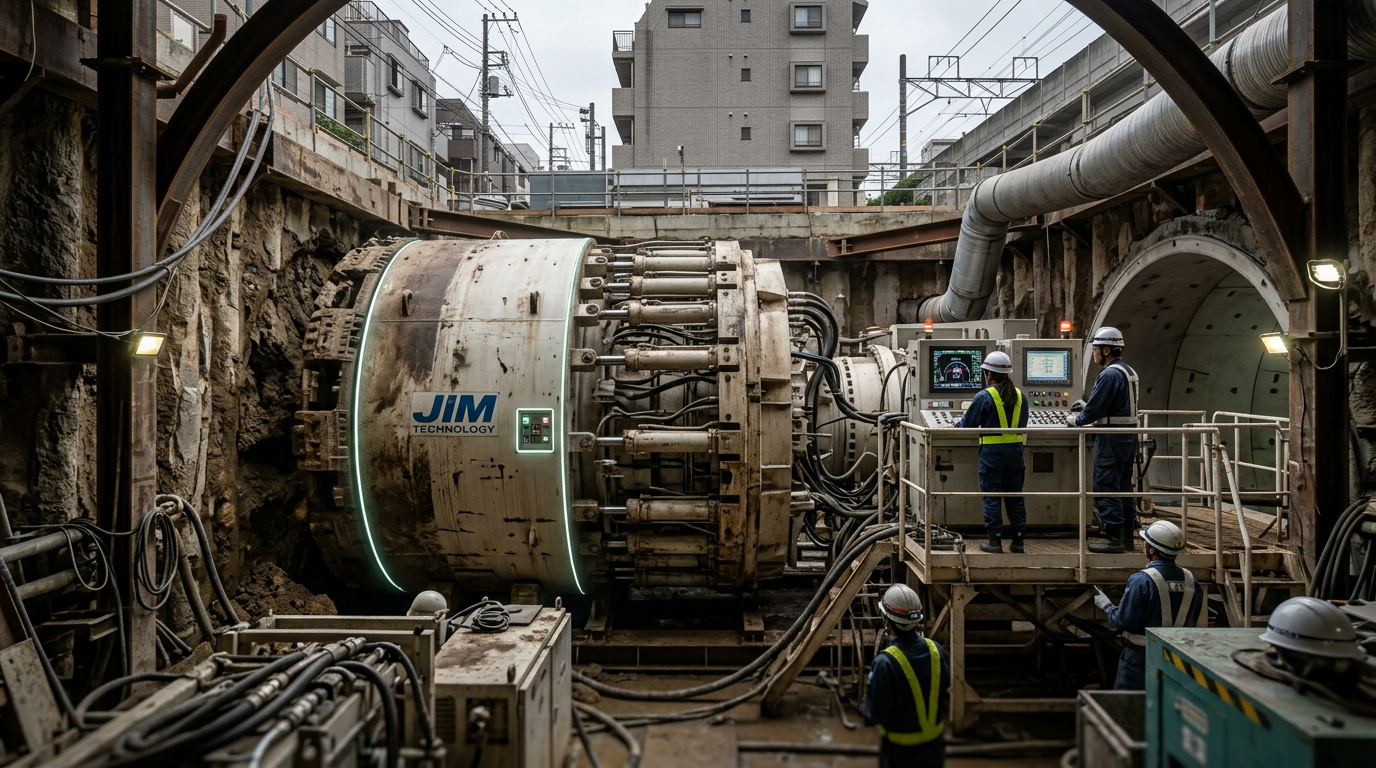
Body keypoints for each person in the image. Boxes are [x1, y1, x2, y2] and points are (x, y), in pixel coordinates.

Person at [1093, 521, 1202, 690]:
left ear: (1152, 550)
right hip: (1177, 657)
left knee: (1130, 707)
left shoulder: (1142, 580)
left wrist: (1107, 606)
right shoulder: (1192, 581)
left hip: (1140, 656)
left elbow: (1124, 621)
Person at [1068, 327, 1140, 553]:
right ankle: (1127, 537)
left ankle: (1113, 539)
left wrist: (1075, 420)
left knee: (1106, 485)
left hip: (1111, 436)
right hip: (1129, 436)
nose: (1094, 354)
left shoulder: (1109, 374)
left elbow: (1096, 409)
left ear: (1106, 350)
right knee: (1124, 487)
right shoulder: (1129, 371)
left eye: (1096, 349)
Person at [861, 584, 950, 767]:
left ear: (886, 621)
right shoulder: (937, 651)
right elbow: (944, 689)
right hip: (934, 752)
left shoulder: (885, 663)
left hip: (899, 754)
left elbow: (873, 714)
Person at [954, 351, 1028, 554]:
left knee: (992, 496)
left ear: (989, 374)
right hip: (1015, 454)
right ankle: (1018, 542)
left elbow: (968, 425)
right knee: (1015, 498)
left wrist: (955, 425)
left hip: (992, 455)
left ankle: (994, 542)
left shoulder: (984, 396)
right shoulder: (1021, 396)